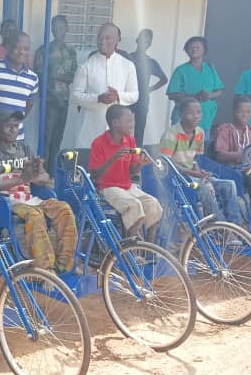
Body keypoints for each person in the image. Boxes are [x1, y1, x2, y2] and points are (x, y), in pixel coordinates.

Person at [0, 109, 77, 273]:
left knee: (64, 209)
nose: (13, 130)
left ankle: (64, 265)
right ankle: (45, 270)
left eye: (16, 126)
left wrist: (35, 174)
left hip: (30, 198)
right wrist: (21, 178)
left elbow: (45, 178)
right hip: (4, 202)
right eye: (8, 126)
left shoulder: (25, 149)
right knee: (35, 215)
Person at [159, 98, 242, 223]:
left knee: (229, 185)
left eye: (198, 112)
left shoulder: (200, 132)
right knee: (204, 188)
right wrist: (194, 174)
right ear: (181, 115)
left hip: (192, 176)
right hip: (176, 178)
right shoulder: (171, 134)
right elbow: (167, 164)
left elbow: (194, 160)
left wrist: (200, 173)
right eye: (190, 113)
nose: (196, 116)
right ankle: (221, 226)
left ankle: (235, 224)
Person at [89, 105, 162, 239]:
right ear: (115, 123)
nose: (132, 125)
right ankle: (130, 248)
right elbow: (95, 175)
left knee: (153, 204)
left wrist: (140, 164)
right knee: (134, 206)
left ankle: (150, 247)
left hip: (127, 186)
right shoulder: (98, 143)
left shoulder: (130, 140)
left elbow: (132, 171)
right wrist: (113, 158)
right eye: (128, 122)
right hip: (107, 188)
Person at [70, 23, 139, 155]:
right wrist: (98, 98)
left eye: (107, 38)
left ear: (116, 40)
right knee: (88, 163)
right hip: (90, 130)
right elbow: (75, 96)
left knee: (116, 164)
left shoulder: (128, 66)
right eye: (100, 38)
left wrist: (118, 96)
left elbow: (134, 95)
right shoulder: (86, 66)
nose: (102, 41)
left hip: (118, 132)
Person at [33, 14, 78, 169]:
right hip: (49, 100)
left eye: (61, 27)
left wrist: (52, 75)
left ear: (67, 28)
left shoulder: (71, 51)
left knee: (58, 138)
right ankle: (42, 172)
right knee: (46, 137)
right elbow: (39, 77)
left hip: (64, 100)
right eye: (54, 27)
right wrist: (53, 93)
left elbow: (72, 77)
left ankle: (53, 172)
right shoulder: (43, 50)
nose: (57, 30)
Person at [167, 36, 224, 134]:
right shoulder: (180, 70)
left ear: (204, 50)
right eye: (191, 47)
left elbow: (219, 90)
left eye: (197, 47)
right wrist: (194, 97)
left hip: (205, 119)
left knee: (201, 143)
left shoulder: (210, 69)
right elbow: (171, 95)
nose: (194, 49)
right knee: (179, 143)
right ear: (186, 51)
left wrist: (209, 95)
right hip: (183, 119)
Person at [128, 29, 168, 146]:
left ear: (150, 44)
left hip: (142, 99)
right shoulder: (126, 58)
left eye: (147, 41)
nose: (144, 43)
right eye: (142, 39)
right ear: (137, 40)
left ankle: (136, 154)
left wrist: (149, 89)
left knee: (139, 130)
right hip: (126, 98)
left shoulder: (151, 62)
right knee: (122, 128)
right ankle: (121, 153)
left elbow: (164, 79)